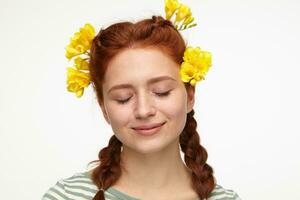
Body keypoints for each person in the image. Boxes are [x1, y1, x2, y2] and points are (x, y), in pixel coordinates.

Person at [42, 2, 241, 200]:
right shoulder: (65, 196)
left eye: (161, 92)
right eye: (123, 98)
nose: (143, 110)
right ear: (104, 108)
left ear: (189, 96)